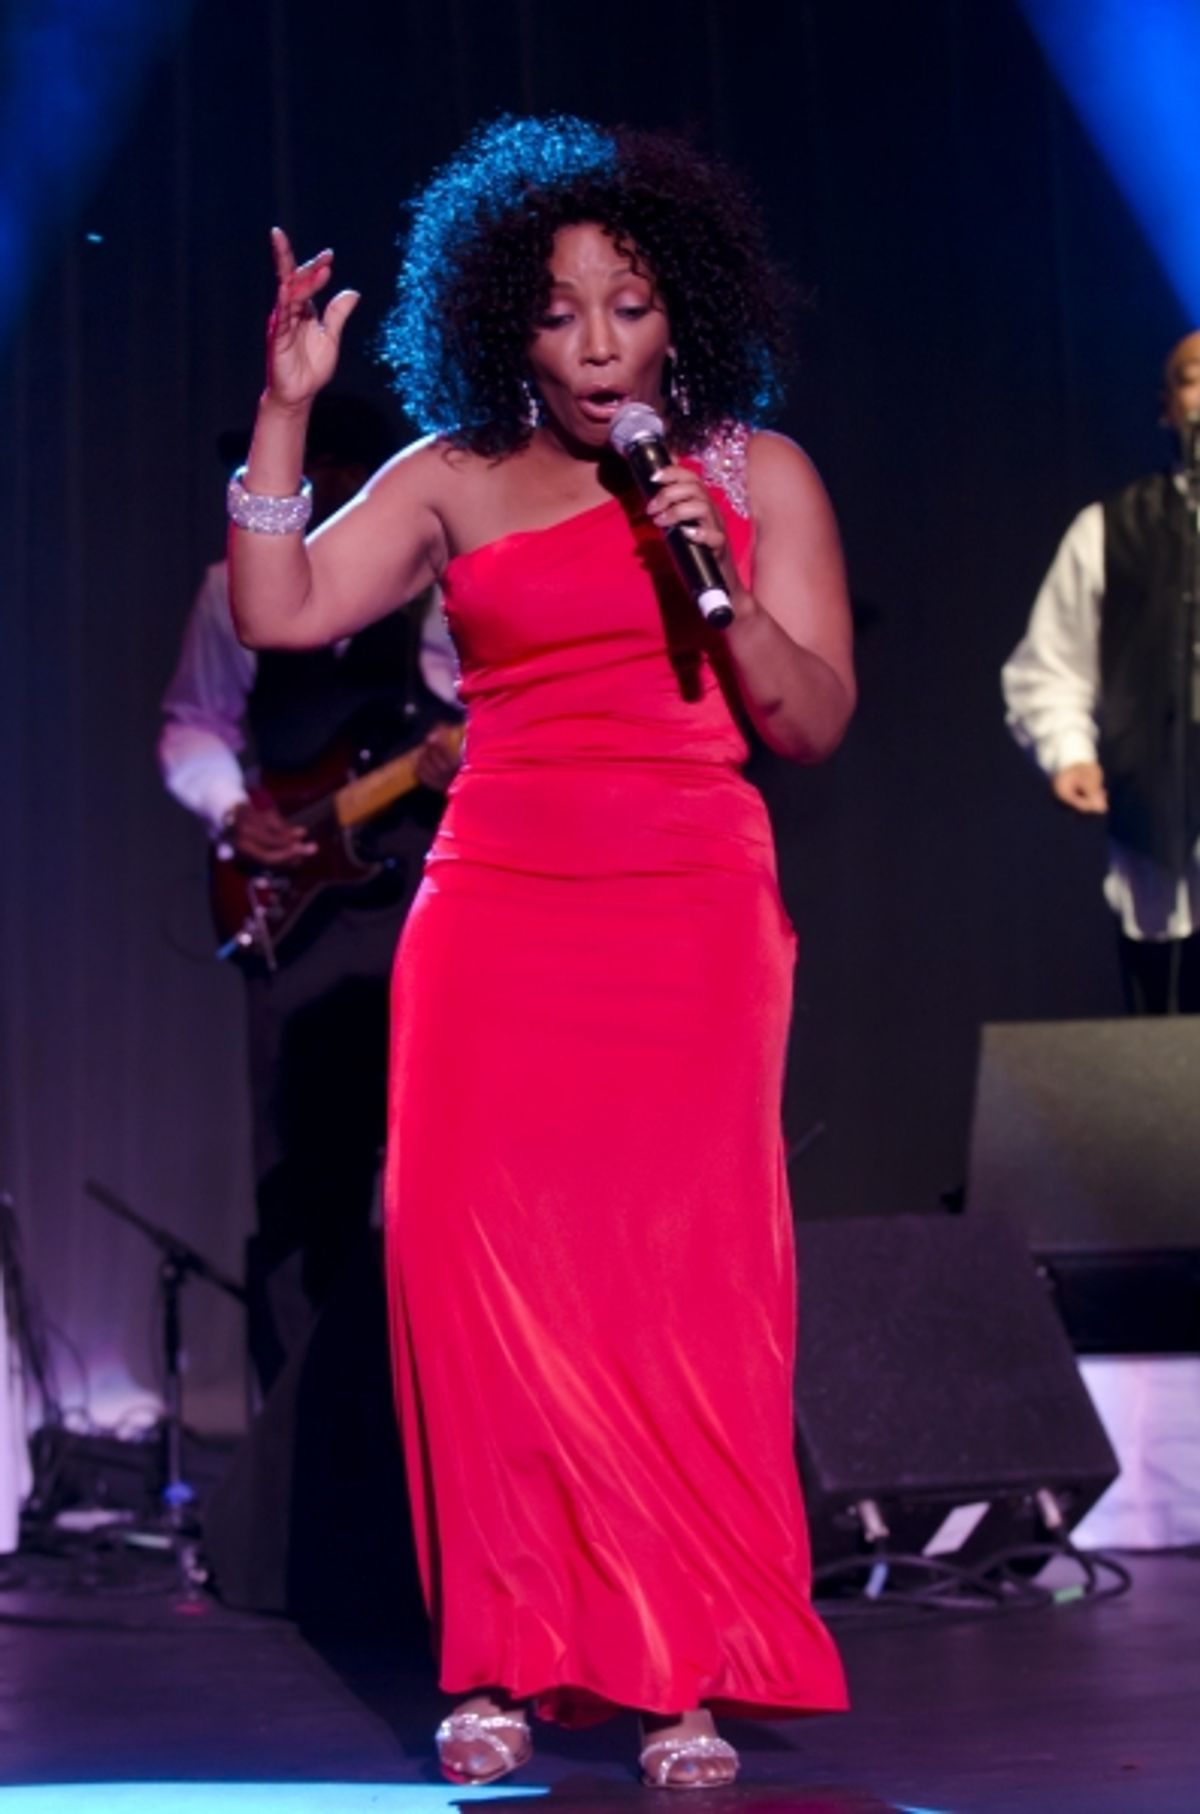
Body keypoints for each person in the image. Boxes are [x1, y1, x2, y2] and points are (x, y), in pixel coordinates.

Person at [227, 116, 855, 1789]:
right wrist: (289, 405)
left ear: (680, 313)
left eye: (626, 308)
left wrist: (714, 582)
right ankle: (500, 1652)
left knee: (681, 1282)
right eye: (561, 311)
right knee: (485, 1283)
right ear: (508, 319)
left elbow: (810, 719)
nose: (594, 346)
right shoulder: (449, 471)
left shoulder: (755, 474)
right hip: (498, 902)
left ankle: (682, 1669)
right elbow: (282, 612)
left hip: (689, 906)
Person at [159, 391, 462, 1391]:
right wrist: (229, 806)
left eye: (323, 467)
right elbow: (193, 723)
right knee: (301, 1180)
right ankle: (295, 1419)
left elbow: (496, 721)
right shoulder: (225, 592)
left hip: (424, 902)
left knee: (440, 1168)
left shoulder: (443, 594)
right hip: (295, 918)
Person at [1003, 331, 1200, 1014]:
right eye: (1194, 378)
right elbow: (1049, 664)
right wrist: (1069, 752)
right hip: (1164, 839)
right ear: (1166, 407)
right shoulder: (1113, 529)